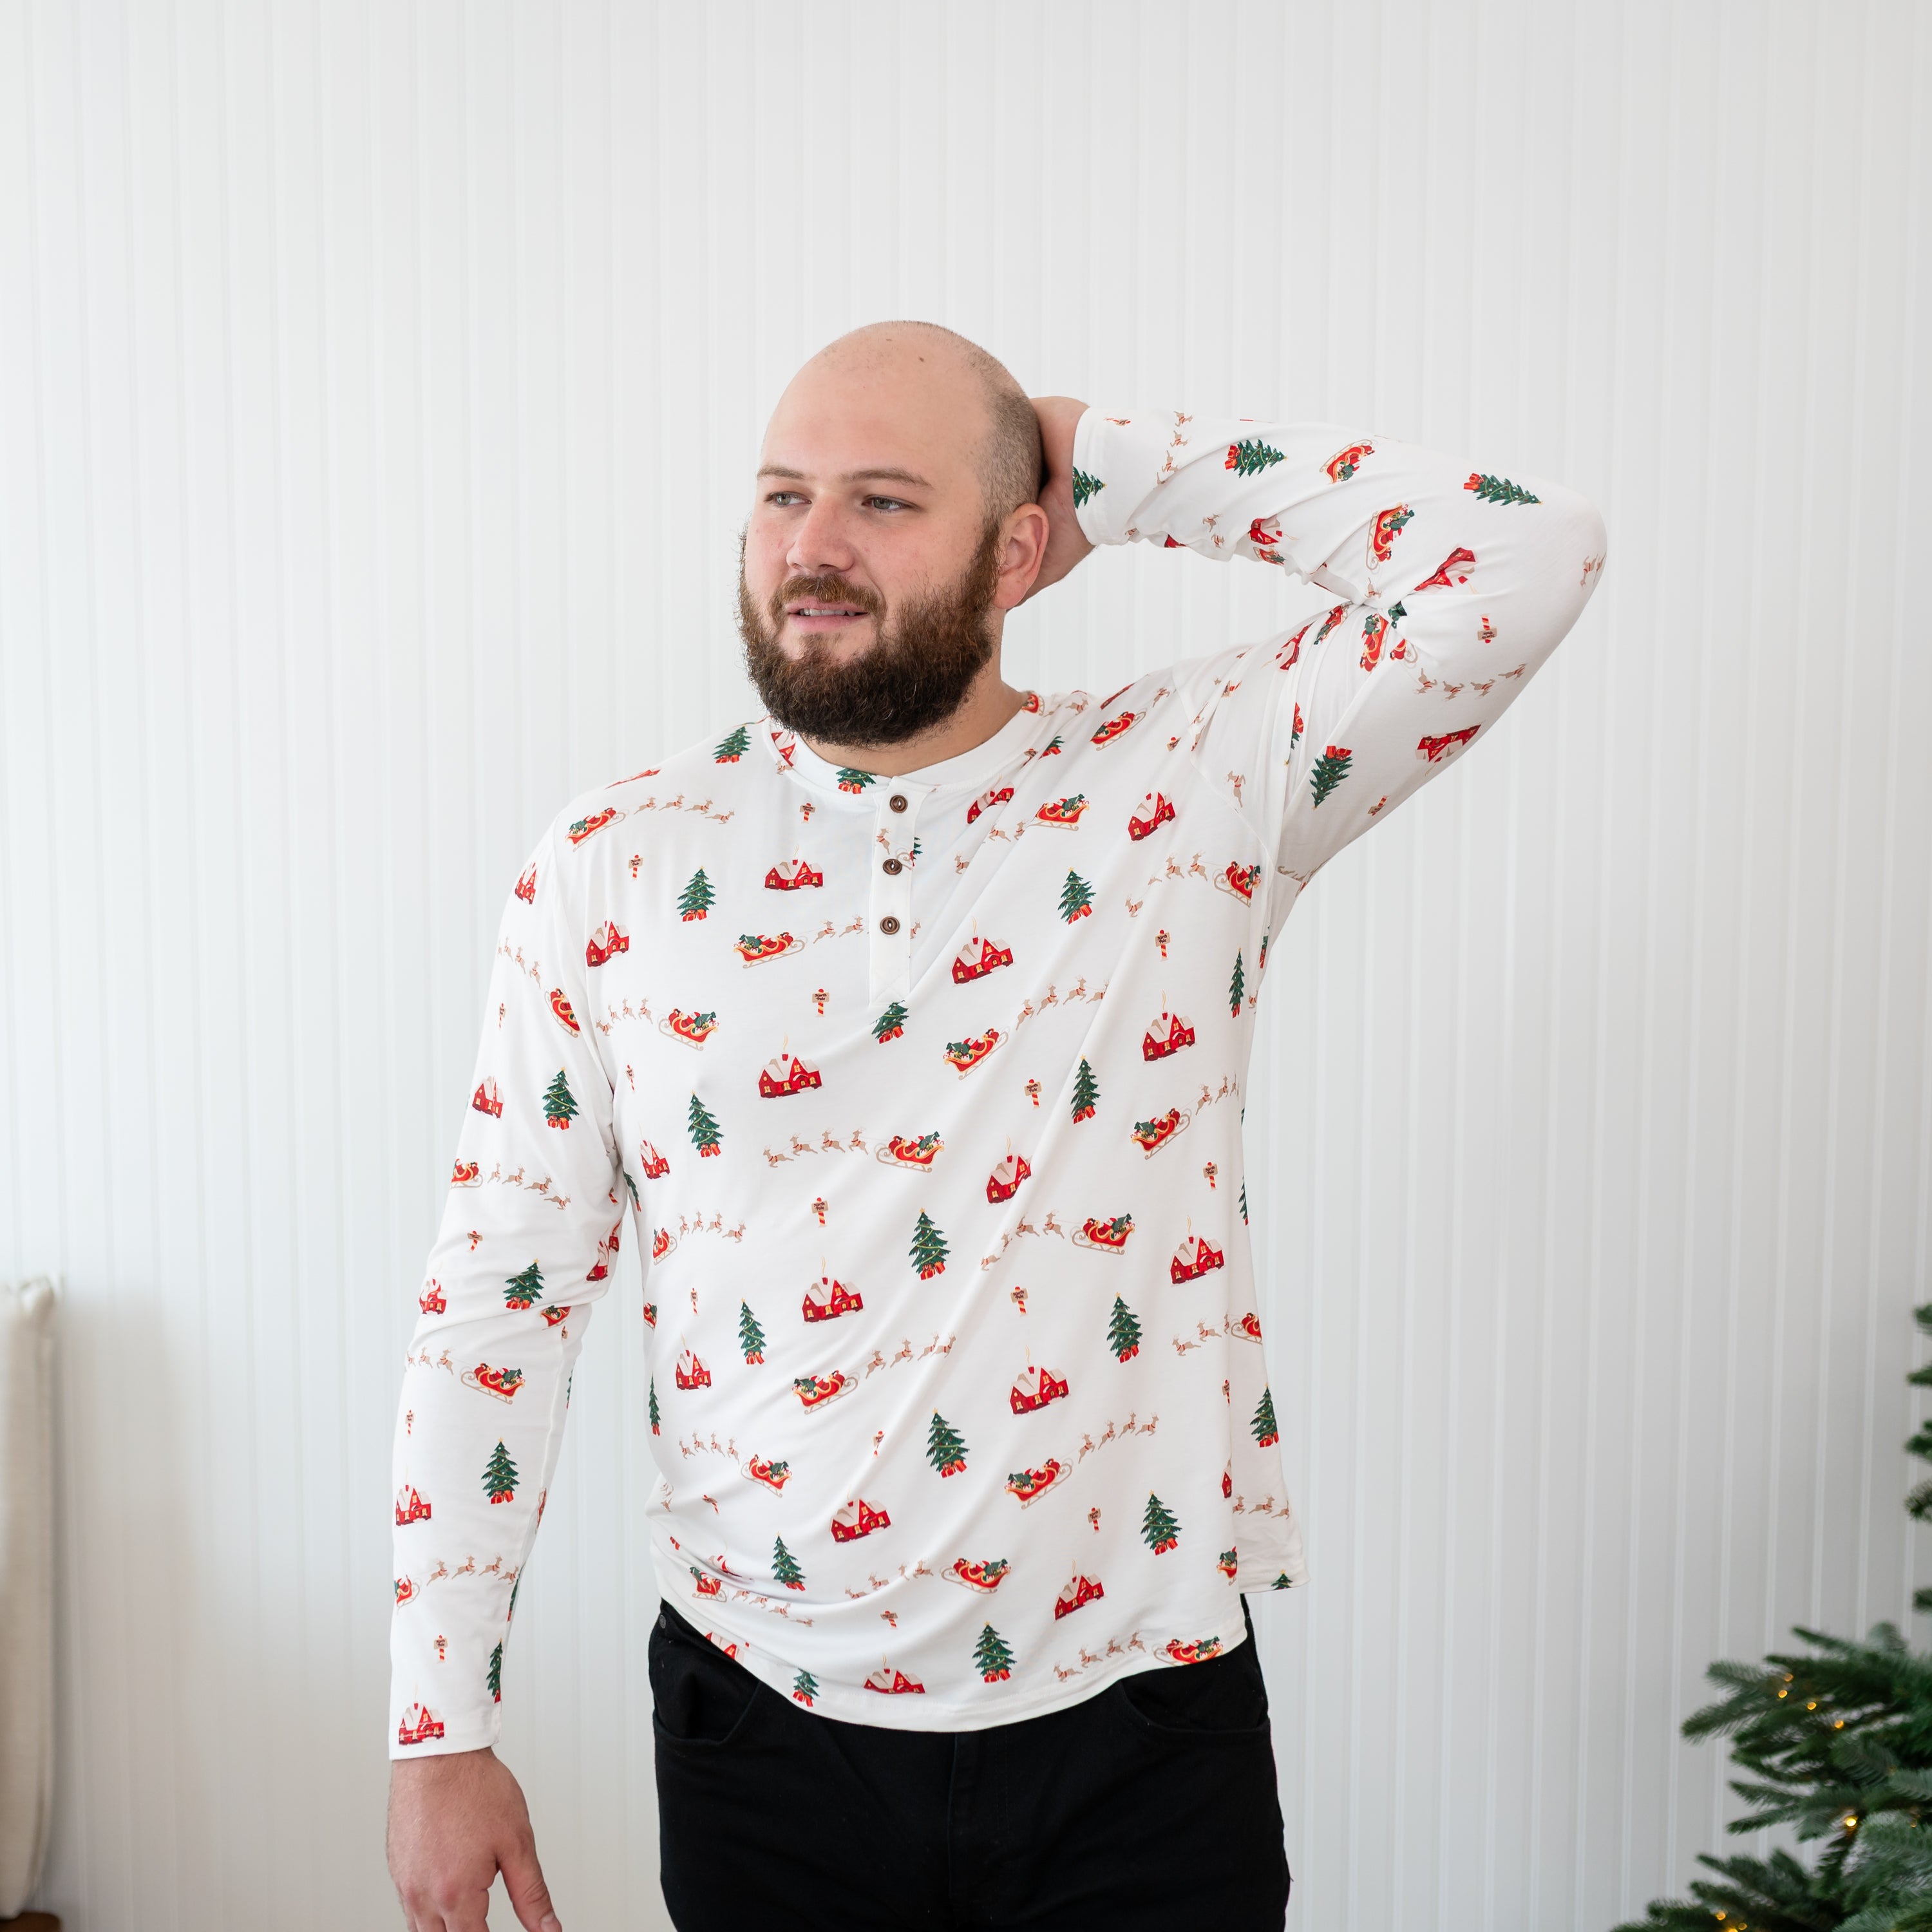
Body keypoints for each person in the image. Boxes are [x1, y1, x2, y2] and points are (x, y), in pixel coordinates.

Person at [385, 321, 1607, 1931]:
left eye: (885, 502)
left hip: (1139, 1742)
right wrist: (437, 1726)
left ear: (1022, 547)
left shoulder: (1191, 788)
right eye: (781, 497)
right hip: (764, 1739)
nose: (811, 549)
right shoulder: (612, 864)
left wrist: (1109, 455)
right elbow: (502, 1296)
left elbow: (1526, 555)